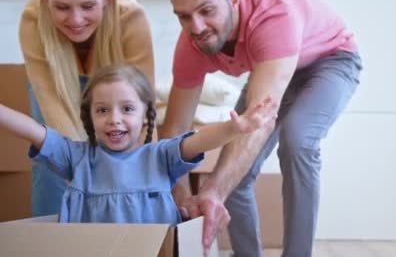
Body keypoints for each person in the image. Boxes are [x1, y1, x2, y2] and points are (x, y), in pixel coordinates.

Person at [158, 0, 362, 256]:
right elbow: (175, 128)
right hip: (274, 69)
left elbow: (260, 122)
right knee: (235, 175)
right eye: (184, 16)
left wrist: (212, 190)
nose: (197, 26)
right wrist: (184, 198)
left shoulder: (273, 13)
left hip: (329, 61)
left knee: (298, 140)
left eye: (206, 10)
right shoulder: (191, 44)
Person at [0, 64, 277, 224]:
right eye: (102, 110)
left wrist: (233, 128)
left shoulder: (159, 156)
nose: (114, 119)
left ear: (146, 114)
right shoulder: (77, 157)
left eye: (127, 109)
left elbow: (196, 141)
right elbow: (33, 131)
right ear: (90, 115)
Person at [18, 0, 156, 217]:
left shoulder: (131, 17)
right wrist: (80, 166)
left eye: (88, 6)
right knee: (51, 160)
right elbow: (57, 122)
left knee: (120, 168)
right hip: (55, 88)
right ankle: (51, 243)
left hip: (115, 95)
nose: (76, 19)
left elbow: (141, 107)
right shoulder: (33, 19)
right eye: (62, 7)